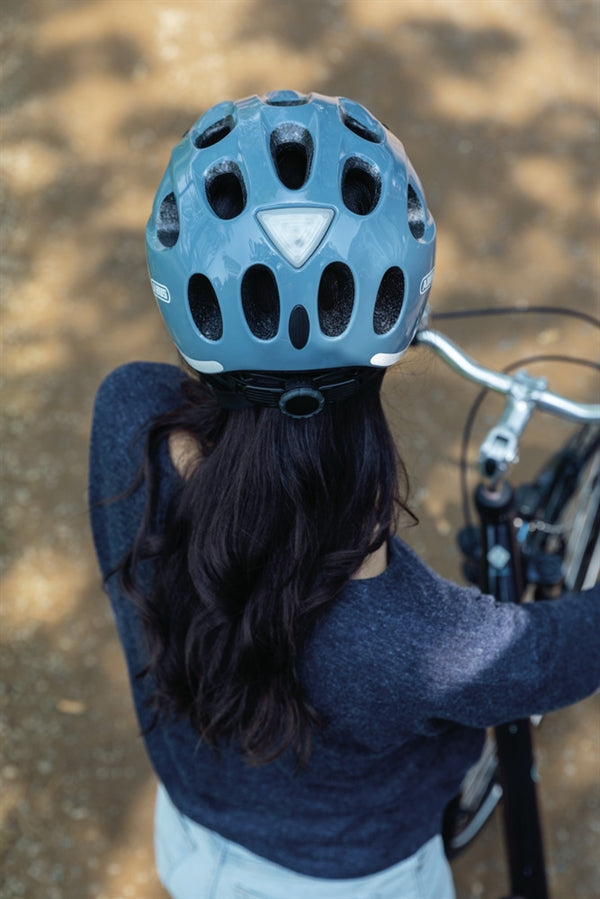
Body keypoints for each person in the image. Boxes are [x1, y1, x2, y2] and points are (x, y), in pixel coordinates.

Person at [89, 91, 599, 899]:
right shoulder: (420, 641)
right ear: (403, 316)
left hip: (190, 833)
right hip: (361, 879)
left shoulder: (128, 421)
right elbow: (559, 651)